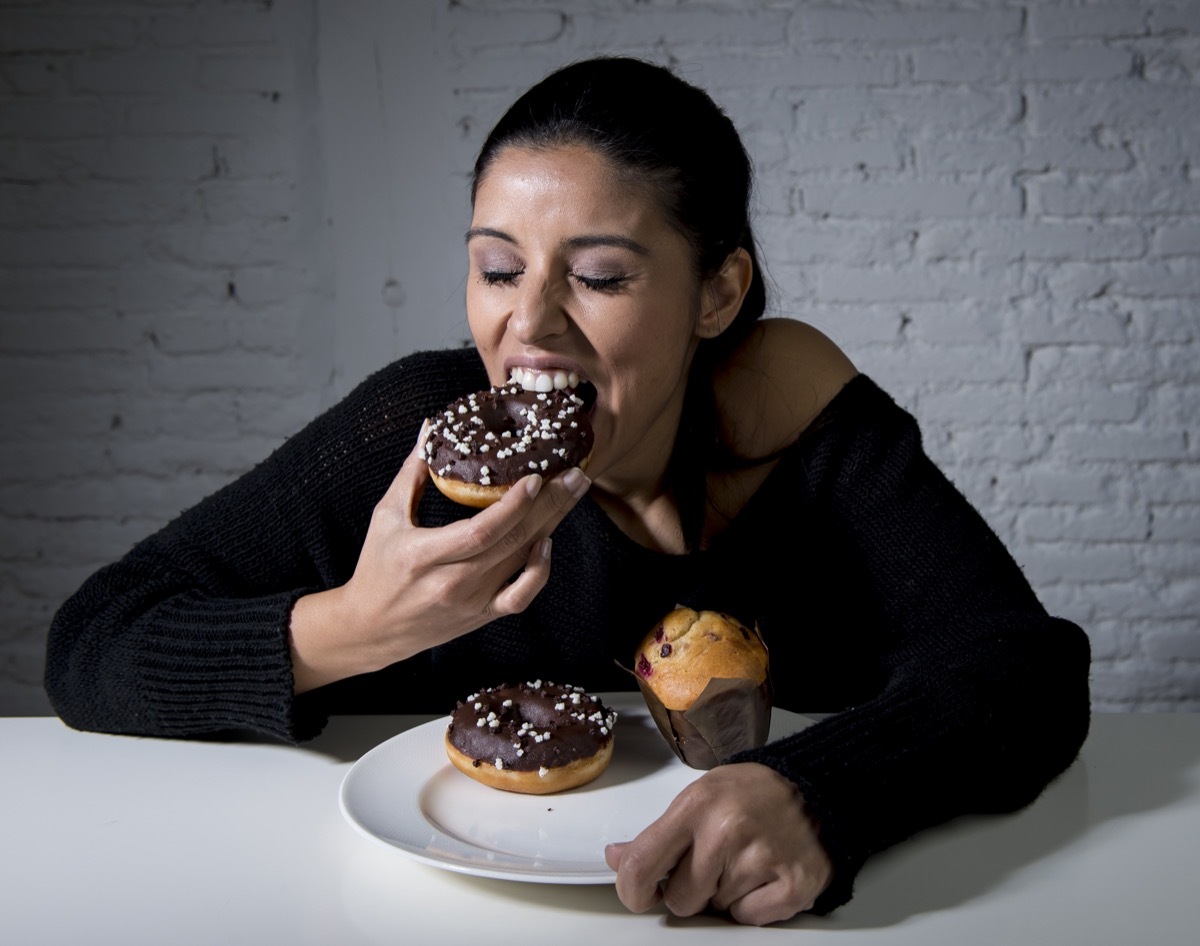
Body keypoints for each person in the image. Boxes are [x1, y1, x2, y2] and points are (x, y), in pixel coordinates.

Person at [44, 56, 1091, 926]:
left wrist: (821, 793)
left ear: (718, 292)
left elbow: (1025, 668)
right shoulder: (415, 432)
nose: (530, 325)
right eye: (499, 270)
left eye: (596, 277)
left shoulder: (794, 421)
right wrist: (360, 625)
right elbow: (91, 641)